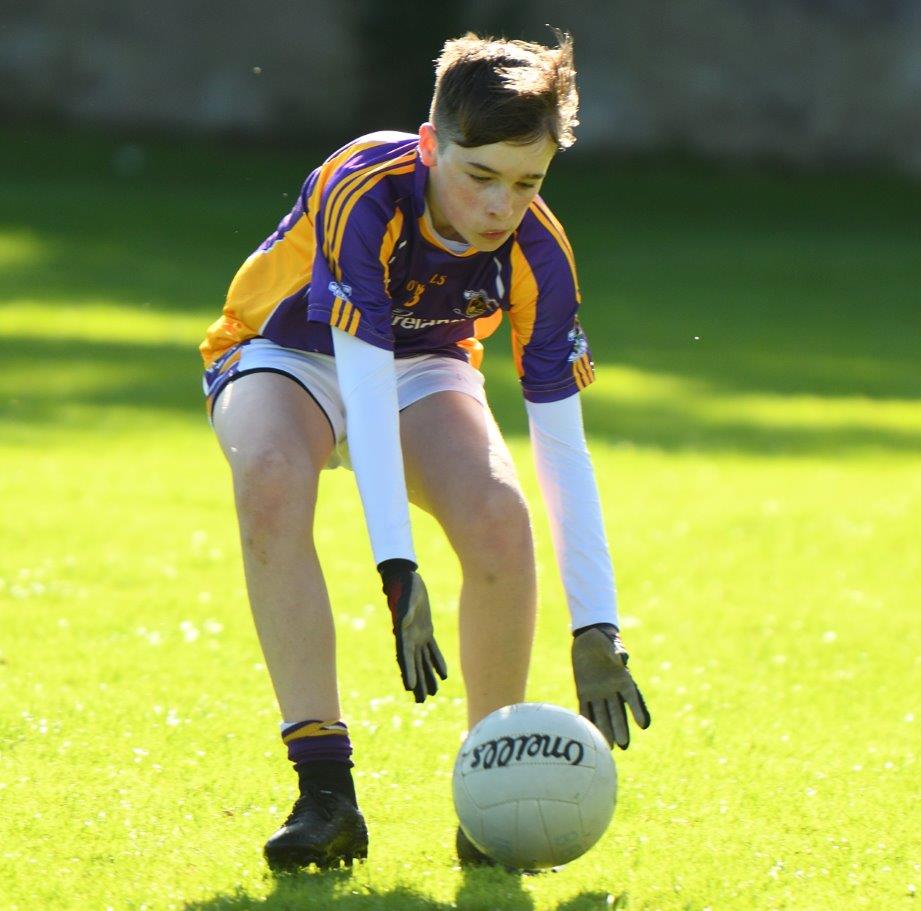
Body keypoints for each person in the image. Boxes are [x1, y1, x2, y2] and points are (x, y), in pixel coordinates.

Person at [199, 30, 650, 871]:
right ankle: (324, 791)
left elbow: (563, 444)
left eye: (526, 182)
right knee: (269, 474)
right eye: (479, 176)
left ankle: (492, 793)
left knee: (499, 518)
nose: (498, 207)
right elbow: (358, 385)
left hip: (424, 363)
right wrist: (396, 564)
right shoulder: (364, 186)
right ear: (432, 144)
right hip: (285, 349)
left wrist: (598, 624)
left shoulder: (539, 252)